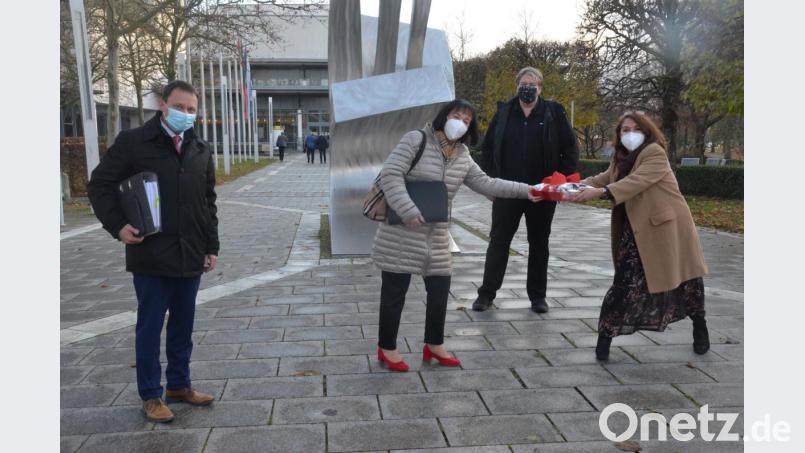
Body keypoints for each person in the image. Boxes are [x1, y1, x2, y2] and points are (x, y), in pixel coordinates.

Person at [372, 100, 542, 372]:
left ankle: (434, 344)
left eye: (466, 120)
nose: (460, 122)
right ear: (444, 116)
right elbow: (391, 174)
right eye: (456, 115)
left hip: (437, 235)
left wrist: (529, 190)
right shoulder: (415, 139)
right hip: (402, 232)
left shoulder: (462, 154)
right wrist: (407, 209)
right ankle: (387, 347)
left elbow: (487, 183)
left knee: (439, 291)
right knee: (395, 293)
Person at [87, 80, 219, 422]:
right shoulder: (134, 142)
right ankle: (150, 394)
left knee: (183, 326)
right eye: (180, 107)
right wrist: (117, 226)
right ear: (163, 105)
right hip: (151, 252)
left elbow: (208, 202)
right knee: (149, 326)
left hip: (190, 252)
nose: (186, 115)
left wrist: (211, 246)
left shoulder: (200, 149)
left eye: (191, 110)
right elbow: (99, 184)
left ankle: (179, 385)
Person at [567, 111, 710, 361]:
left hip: (667, 228)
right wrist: (573, 187)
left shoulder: (654, 152)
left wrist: (600, 193)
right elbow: (603, 178)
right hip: (634, 229)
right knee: (624, 283)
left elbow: (637, 181)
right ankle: (605, 339)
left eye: (634, 129)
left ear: (646, 131)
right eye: (624, 130)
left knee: (688, 281)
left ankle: (700, 327)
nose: (629, 134)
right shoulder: (620, 158)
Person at [473, 67, 579, 314]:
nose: (528, 88)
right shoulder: (503, 112)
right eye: (524, 83)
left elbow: (570, 148)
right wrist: (490, 180)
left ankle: (538, 297)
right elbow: (487, 149)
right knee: (499, 241)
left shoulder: (554, 112)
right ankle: (486, 294)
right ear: (517, 85)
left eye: (533, 84)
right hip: (508, 190)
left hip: (542, 192)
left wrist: (559, 181)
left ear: (540, 87)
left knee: (539, 243)